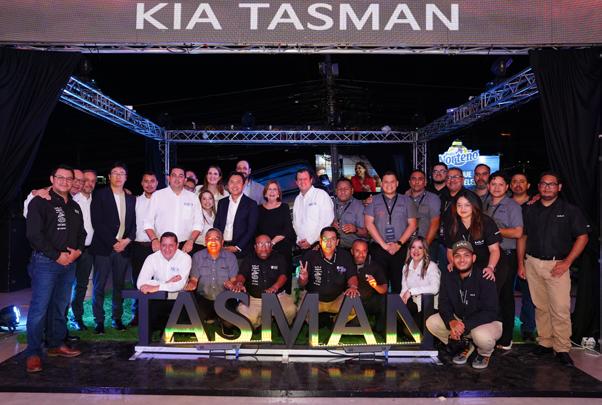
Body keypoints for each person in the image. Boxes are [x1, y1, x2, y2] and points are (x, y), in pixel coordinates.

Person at [517, 171, 590, 366]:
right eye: (543, 183)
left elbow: (583, 237)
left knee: (560, 308)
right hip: (532, 262)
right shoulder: (529, 209)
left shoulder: (570, 210)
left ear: (559, 187)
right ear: (538, 187)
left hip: (557, 265)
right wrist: (521, 263)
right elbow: (523, 237)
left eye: (551, 184)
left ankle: (562, 348)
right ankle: (545, 342)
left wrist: (567, 262)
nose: (547, 187)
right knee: (541, 306)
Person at [24, 164, 86, 373]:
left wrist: (77, 252)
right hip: (45, 263)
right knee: (39, 309)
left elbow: (82, 234)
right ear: (52, 179)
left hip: (69, 264)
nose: (65, 181)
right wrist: (57, 255)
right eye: (60, 177)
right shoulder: (40, 201)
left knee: (60, 307)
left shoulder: (74, 206)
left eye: (69, 178)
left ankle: (56, 344)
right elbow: (34, 235)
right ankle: (33, 353)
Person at [426, 240, 501, 370]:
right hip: (462, 320)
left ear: (473, 258)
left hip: (487, 323)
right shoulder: (448, 276)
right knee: (432, 322)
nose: (462, 260)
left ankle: (484, 353)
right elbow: (444, 303)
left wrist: (464, 325)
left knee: (481, 336)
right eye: (457, 256)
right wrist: (451, 321)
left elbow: (490, 312)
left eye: (466, 255)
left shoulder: (485, 276)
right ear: (452, 259)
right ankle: (465, 345)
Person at [90, 162, 136, 334]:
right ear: (109, 177)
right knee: (99, 286)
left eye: (121, 173)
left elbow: (134, 223)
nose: (118, 176)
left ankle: (117, 318)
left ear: (126, 177)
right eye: (115, 173)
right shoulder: (99, 195)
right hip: (103, 248)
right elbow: (97, 222)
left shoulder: (131, 198)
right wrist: (113, 242)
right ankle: (99, 321)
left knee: (119, 285)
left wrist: (126, 241)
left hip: (123, 249)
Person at [485, 172, 523, 350]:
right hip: (489, 255)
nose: (497, 187)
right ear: (489, 186)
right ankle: (492, 334)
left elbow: (518, 232)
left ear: (507, 187)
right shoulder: (485, 203)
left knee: (505, 296)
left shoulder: (512, 206)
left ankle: (506, 338)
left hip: (506, 255)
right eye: (493, 184)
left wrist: (494, 231)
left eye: (501, 184)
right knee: (491, 296)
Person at [225, 234, 296, 328]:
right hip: (254, 299)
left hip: (278, 297)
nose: (264, 248)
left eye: (267, 244)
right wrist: (239, 283)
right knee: (245, 317)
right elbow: (242, 275)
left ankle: (283, 326)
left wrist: (275, 287)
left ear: (271, 246)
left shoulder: (279, 257)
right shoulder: (249, 258)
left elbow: (283, 276)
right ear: (255, 247)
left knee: (290, 310)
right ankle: (261, 321)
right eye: (260, 244)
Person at [364, 171, 417, 293]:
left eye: (392, 182)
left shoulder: (407, 201)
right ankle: (382, 306)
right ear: (382, 184)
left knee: (399, 284)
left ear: (397, 183)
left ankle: (399, 305)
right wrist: (384, 245)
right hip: (379, 249)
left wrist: (398, 244)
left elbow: (413, 225)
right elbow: (368, 224)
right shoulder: (373, 201)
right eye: (386, 182)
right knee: (380, 284)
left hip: (400, 248)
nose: (389, 185)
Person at [185, 228, 239, 336]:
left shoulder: (231, 257)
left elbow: (234, 280)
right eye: (210, 239)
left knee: (230, 324)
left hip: (225, 299)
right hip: (204, 298)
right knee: (193, 324)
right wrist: (191, 284)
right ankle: (212, 316)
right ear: (205, 242)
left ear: (222, 242)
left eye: (216, 239)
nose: (213, 241)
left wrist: (232, 284)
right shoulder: (197, 256)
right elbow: (194, 279)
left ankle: (223, 321)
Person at [298, 227, 359, 318]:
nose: (329, 242)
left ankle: (336, 321)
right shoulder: (310, 256)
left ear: (337, 242)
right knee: (301, 313)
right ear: (320, 241)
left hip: (337, 299)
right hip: (314, 300)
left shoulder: (345, 255)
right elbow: (301, 283)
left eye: (332, 239)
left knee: (355, 307)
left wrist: (353, 287)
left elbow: (352, 275)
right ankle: (316, 320)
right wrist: (303, 278)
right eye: (325, 239)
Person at [137, 232, 191, 331]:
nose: (167, 249)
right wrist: (167, 283)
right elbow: (140, 283)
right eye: (164, 245)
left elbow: (180, 285)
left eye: (171, 245)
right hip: (158, 298)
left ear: (177, 245)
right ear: (160, 245)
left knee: (181, 330)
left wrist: (156, 287)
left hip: (179, 299)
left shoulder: (185, 258)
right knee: (150, 326)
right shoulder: (152, 258)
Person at [144, 166, 203, 255]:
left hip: (185, 246)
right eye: (174, 175)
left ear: (185, 180)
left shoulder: (193, 198)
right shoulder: (157, 196)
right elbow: (148, 222)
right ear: (169, 178)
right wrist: (154, 240)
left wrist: (191, 241)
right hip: (162, 245)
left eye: (180, 176)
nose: (177, 179)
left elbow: (198, 224)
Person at [444, 193, 501, 279]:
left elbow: (494, 250)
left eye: (467, 205)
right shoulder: (452, 224)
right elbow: (450, 250)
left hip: (487, 265)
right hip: (464, 266)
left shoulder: (486, 222)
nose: (462, 208)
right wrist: (453, 263)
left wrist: (490, 267)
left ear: (474, 205)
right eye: (459, 205)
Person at [69, 169, 97, 331]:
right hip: (71, 250)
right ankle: (58, 321)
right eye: (86, 180)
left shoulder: (97, 200)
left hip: (88, 250)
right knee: (65, 286)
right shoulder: (72, 199)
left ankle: (77, 318)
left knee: (81, 286)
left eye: (93, 181)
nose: (89, 184)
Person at [130, 171, 159, 326]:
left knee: (156, 282)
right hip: (139, 247)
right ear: (142, 183)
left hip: (157, 248)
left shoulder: (162, 200)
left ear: (157, 183)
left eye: (152, 181)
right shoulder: (135, 201)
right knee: (138, 281)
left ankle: (154, 316)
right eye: (146, 181)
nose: (149, 184)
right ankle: (137, 315)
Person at [256, 180, 296, 291]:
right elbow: (256, 231)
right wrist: (264, 245)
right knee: (267, 279)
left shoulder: (284, 207)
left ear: (278, 193)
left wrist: (272, 243)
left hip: (282, 249)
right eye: (269, 189)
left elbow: (287, 229)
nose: (272, 192)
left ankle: (285, 299)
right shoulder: (258, 209)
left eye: (275, 189)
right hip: (264, 251)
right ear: (265, 193)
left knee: (283, 278)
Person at [510, 172, 535, 341]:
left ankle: (528, 328)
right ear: (509, 185)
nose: (518, 184)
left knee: (529, 293)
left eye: (522, 181)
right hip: (505, 253)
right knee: (504, 293)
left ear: (528, 185)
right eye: (514, 181)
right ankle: (504, 326)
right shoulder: (503, 202)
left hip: (528, 255)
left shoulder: (536, 204)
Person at [214, 171, 259, 259]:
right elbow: (217, 224)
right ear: (227, 184)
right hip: (222, 247)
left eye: (238, 182)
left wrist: (237, 247)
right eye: (232, 182)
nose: (235, 185)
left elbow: (251, 229)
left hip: (241, 251)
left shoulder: (251, 204)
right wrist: (218, 242)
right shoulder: (222, 202)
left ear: (243, 184)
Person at [400, 237, 441, 328]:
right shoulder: (406, 267)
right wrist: (399, 304)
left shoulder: (431, 266)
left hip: (430, 307)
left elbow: (435, 288)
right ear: (409, 250)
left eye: (420, 248)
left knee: (410, 329)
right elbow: (404, 290)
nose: (416, 251)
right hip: (414, 305)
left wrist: (411, 291)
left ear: (425, 250)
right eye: (413, 247)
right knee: (396, 314)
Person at [350, 239, 387, 334]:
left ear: (367, 252)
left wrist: (375, 285)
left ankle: (380, 328)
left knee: (384, 299)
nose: (361, 254)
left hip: (369, 302)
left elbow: (384, 288)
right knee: (354, 325)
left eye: (364, 251)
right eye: (357, 251)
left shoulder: (375, 266)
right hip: (351, 303)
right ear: (352, 251)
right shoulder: (346, 263)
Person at [292, 168, 334, 251]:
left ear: (311, 180)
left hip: (319, 245)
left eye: (305, 179)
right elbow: (296, 223)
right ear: (296, 182)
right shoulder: (297, 199)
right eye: (300, 179)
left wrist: (311, 240)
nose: (302, 182)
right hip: (303, 245)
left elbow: (327, 221)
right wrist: (299, 240)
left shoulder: (321, 195)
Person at [407, 169, 441, 246]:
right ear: (409, 182)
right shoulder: (404, 198)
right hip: (407, 243)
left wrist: (425, 246)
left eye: (420, 179)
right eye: (414, 179)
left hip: (428, 243)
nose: (417, 182)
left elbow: (435, 223)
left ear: (425, 182)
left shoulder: (433, 198)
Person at [332, 177, 367, 249]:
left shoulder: (359, 206)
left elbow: (366, 234)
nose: (343, 191)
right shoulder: (330, 204)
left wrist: (355, 229)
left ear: (352, 190)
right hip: (334, 246)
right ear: (336, 191)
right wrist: (331, 225)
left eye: (346, 189)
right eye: (340, 189)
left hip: (353, 248)